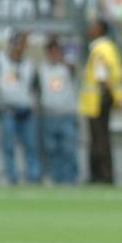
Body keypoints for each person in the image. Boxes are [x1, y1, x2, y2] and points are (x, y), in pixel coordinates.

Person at [0, 31, 41, 186]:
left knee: (31, 145)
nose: (21, 48)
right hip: (7, 109)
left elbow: (35, 86)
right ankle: (12, 177)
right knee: (8, 146)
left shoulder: (29, 64)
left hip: (25, 109)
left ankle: (33, 177)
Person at [79, 18, 122, 185]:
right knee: (101, 137)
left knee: (99, 138)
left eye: (93, 26)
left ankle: (102, 175)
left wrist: (109, 95)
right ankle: (104, 174)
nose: (89, 29)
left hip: (99, 98)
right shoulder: (109, 48)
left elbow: (101, 75)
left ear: (100, 29)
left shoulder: (98, 49)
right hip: (105, 97)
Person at [37, 37, 80, 185]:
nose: (54, 55)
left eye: (56, 51)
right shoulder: (42, 69)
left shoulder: (67, 68)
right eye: (51, 52)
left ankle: (70, 180)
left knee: (69, 150)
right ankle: (55, 179)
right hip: (49, 115)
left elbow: (75, 50)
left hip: (66, 115)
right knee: (51, 150)